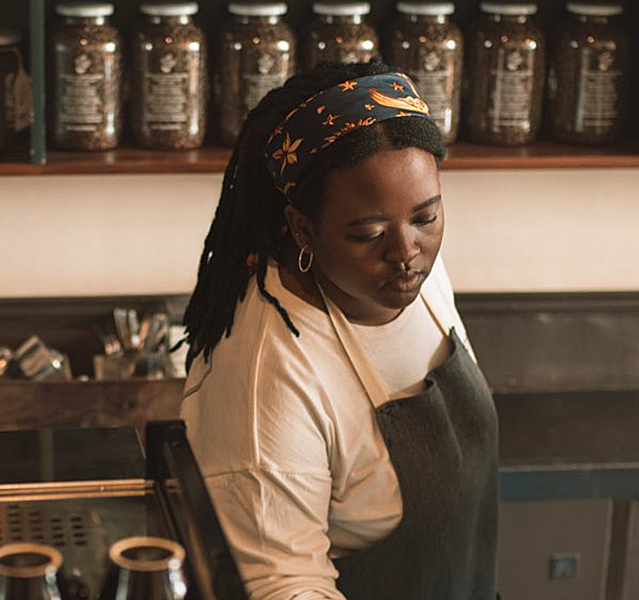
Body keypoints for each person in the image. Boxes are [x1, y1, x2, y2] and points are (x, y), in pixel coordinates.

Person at [179, 61, 497, 599]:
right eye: (368, 232)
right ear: (302, 227)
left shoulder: (418, 276)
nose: (405, 253)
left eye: (426, 218)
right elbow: (284, 585)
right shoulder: (271, 376)